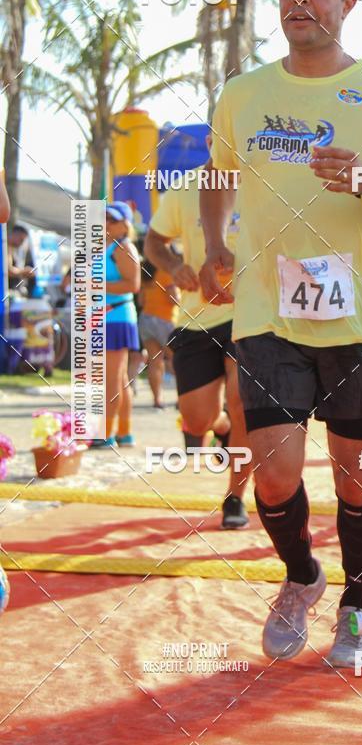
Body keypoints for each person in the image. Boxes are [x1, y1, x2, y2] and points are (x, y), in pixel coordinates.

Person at [200, 0, 362, 667]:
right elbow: (217, 177)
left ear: (347, 2)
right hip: (268, 314)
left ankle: (357, 607)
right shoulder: (242, 93)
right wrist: (214, 243)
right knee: (273, 471)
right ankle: (302, 576)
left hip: (357, 318)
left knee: (357, 481)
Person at [144, 167, 251, 530]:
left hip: (252, 313)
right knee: (197, 419)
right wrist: (175, 266)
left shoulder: (267, 174)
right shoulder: (186, 185)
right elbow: (154, 241)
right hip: (197, 316)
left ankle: (235, 496)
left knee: (242, 402)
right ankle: (220, 426)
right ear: (210, 141)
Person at [91, 202, 141, 448]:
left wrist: (95, 286)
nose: (106, 222)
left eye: (111, 219)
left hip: (116, 318)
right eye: (104, 217)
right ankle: (124, 433)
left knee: (111, 380)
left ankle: (106, 433)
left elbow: (133, 285)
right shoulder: (108, 247)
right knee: (119, 380)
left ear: (124, 224)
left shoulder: (123, 247)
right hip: (108, 317)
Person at [138, 255, 179, 409]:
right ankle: (181, 398)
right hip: (165, 320)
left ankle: (157, 399)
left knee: (155, 361)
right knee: (177, 360)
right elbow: (173, 298)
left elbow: (141, 301)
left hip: (146, 319)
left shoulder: (145, 273)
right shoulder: (166, 273)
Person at [7, 224, 36, 296]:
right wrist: (24, 271)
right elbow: (7, 270)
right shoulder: (5, 248)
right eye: (21, 240)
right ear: (15, 234)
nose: (21, 243)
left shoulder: (11, 249)